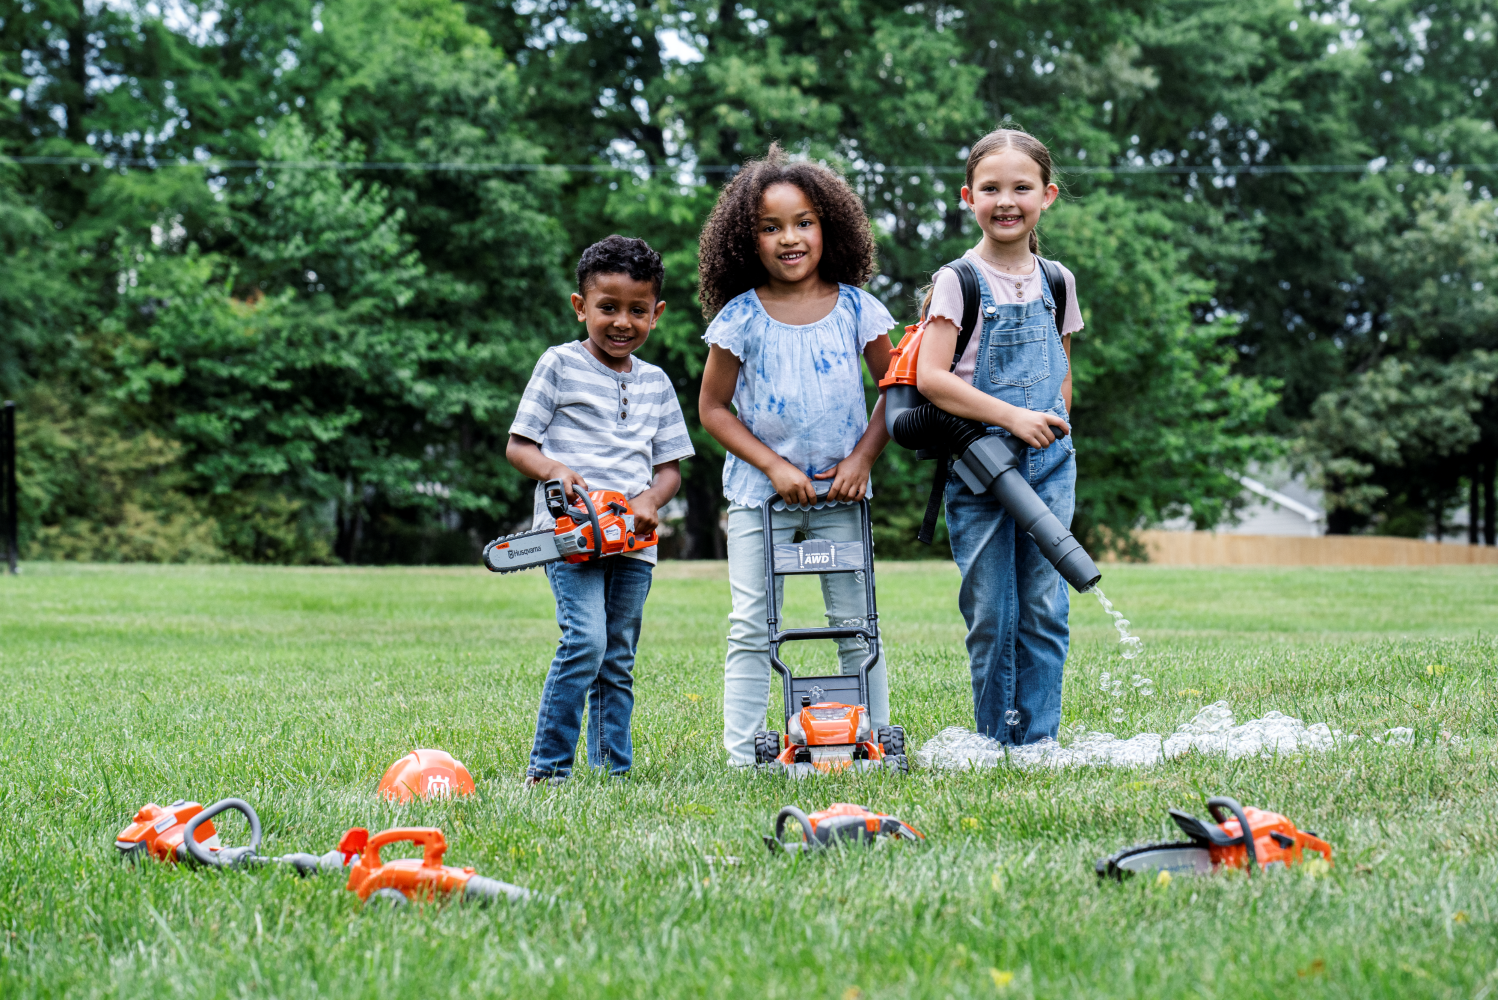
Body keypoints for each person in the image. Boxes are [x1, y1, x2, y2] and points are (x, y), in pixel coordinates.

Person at [697, 144, 897, 766]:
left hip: (842, 496)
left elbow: (896, 392)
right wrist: (774, 467)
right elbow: (713, 410)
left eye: (803, 221)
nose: (790, 237)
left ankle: (873, 738)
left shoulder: (860, 310)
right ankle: (740, 755)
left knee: (856, 623)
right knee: (752, 625)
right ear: (745, 240)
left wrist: (862, 459)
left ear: (827, 227)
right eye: (770, 226)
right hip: (762, 500)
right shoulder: (740, 319)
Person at [913, 127, 1085, 746]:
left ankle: (1038, 741)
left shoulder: (1058, 280)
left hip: (1048, 467)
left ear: (1048, 195)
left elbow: (1062, 371)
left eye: (1021, 187)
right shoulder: (958, 279)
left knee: (1044, 606)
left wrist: (1052, 427)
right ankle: (994, 743)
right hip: (980, 468)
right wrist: (1012, 419)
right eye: (991, 188)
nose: (1005, 200)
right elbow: (932, 378)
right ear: (968, 196)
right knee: (993, 612)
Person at [507, 235, 695, 784]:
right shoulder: (559, 365)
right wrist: (555, 471)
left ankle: (613, 769)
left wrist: (650, 501)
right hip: (571, 534)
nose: (621, 322)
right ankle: (549, 768)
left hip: (634, 542)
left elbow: (669, 470)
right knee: (585, 642)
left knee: (617, 656)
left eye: (637, 310)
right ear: (580, 306)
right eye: (607, 307)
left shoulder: (657, 383)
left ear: (656, 314)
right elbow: (520, 445)